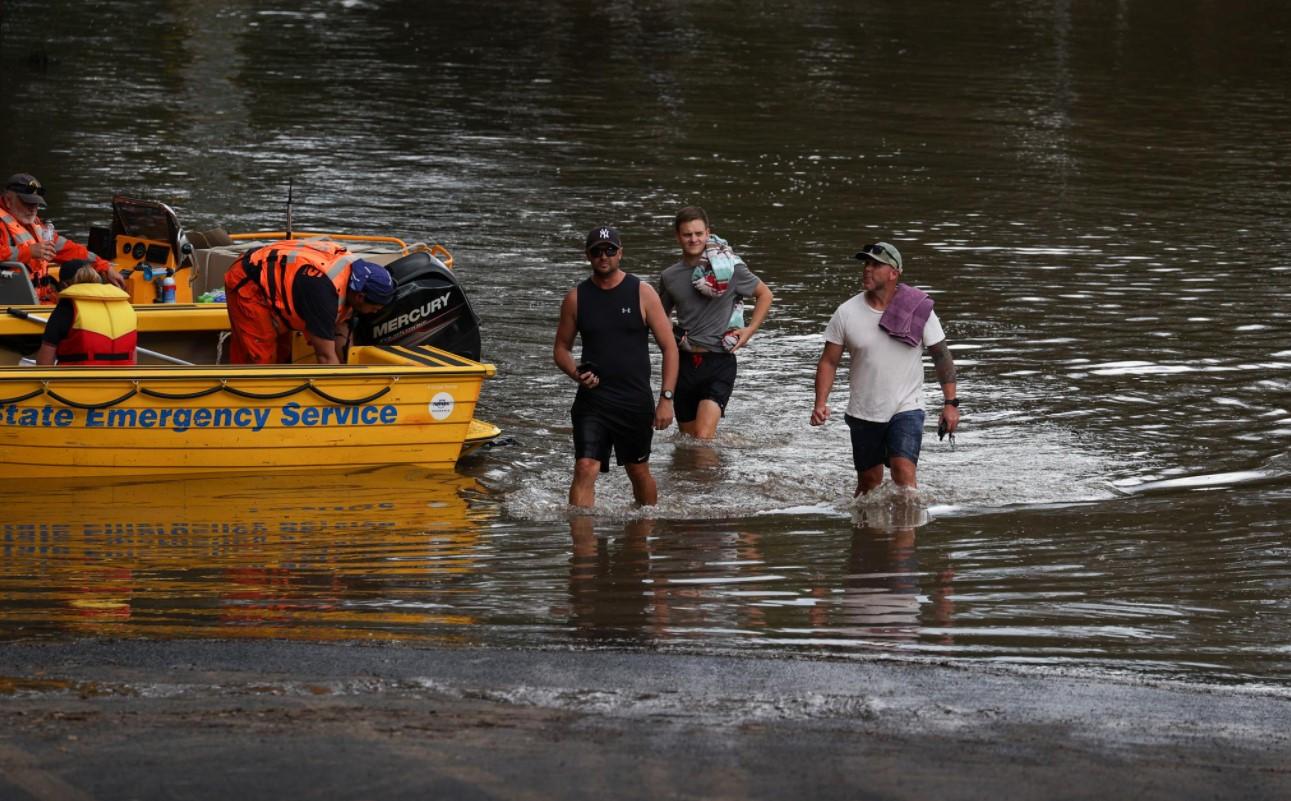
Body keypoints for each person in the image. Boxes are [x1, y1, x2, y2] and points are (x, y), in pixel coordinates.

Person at [810, 241, 959, 495]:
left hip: (907, 407)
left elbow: (941, 357)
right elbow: (829, 361)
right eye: (866, 264)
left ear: (894, 272)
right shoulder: (846, 313)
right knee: (869, 483)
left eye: (876, 265)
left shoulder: (918, 310)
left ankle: (906, 530)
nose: (867, 269)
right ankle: (866, 532)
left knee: (904, 477)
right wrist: (820, 402)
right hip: (864, 410)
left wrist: (950, 404)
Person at [553, 225, 678, 508]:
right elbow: (561, 349)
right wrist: (576, 373)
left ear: (620, 253)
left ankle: (644, 530)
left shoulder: (642, 293)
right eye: (597, 251)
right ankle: (583, 547)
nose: (604, 256)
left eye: (610, 250)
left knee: (637, 471)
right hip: (592, 401)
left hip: (634, 400)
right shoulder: (576, 298)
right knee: (585, 466)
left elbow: (670, 348)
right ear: (588, 256)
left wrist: (666, 399)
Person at [656, 206, 773, 439]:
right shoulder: (670, 276)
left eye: (699, 233)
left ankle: (713, 470)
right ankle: (710, 473)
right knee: (687, 442)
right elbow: (660, 314)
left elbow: (765, 294)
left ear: (708, 233)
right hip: (684, 364)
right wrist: (670, 335)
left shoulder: (730, 269)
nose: (694, 239)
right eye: (688, 234)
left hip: (720, 361)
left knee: (702, 438)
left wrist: (749, 330)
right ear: (678, 236)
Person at [223, 239, 396, 365]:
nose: (375, 312)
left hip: (283, 279)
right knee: (260, 356)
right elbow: (325, 357)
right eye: (375, 308)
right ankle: (250, 401)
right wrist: (340, 398)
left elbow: (341, 335)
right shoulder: (324, 295)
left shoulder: (354, 280)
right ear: (360, 297)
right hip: (248, 281)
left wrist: (346, 368)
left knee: (283, 354)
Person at [0, 173, 126, 303]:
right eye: (27, 203)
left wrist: (105, 267)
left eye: (36, 204)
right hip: (13, 306)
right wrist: (28, 252)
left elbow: (70, 249)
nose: (33, 209)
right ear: (9, 200)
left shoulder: (34, 225)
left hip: (38, 300)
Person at [35, 260, 137, 366]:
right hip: (123, 380)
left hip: (80, 381)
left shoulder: (67, 307)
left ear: (64, 285)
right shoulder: (125, 305)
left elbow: (44, 362)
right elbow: (133, 357)